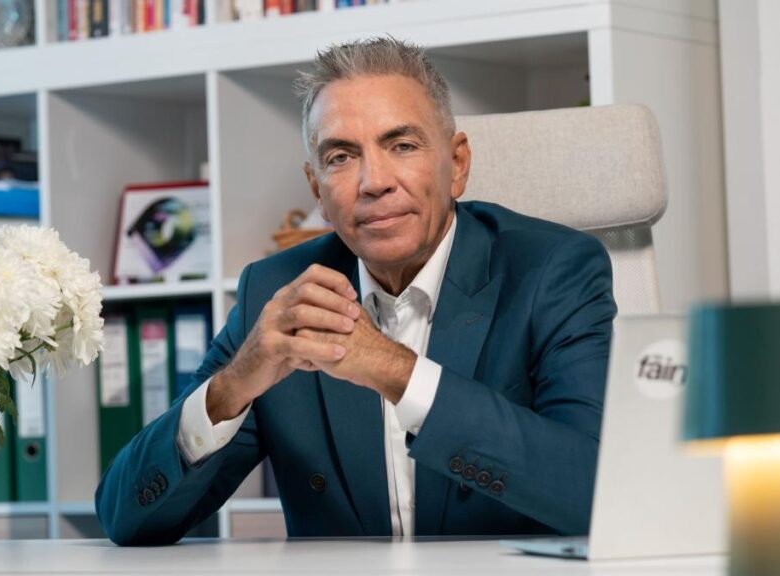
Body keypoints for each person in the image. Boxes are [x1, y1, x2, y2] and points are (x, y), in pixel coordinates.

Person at [96, 37, 616, 544]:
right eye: (341, 157)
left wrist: (394, 370)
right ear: (317, 190)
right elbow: (125, 519)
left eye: (402, 145)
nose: (374, 181)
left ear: (457, 164)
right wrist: (232, 386)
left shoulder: (552, 271)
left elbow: (596, 491)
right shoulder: (277, 292)